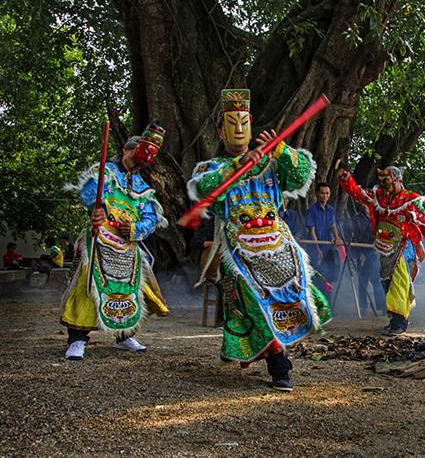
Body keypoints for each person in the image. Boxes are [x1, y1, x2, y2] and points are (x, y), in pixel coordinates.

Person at [187, 89, 331, 392]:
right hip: (239, 254)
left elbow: (301, 175)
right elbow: (204, 190)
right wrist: (238, 166)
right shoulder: (211, 168)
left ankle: (278, 355)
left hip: (279, 247)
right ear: (219, 131)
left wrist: (280, 151)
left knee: (292, 297)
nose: (239, 130)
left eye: (244, 123)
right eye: (231, 123)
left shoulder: (269, 164)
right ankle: (280, 365)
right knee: (254, 303)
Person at [60, 124, 170, 361]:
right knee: (89, 287)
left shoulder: (143, 187)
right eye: (144, 150)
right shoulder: (105, 172)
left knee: (131, 288)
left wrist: (134, 228)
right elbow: (90, 194)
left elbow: (152, 217)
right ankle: (77, 340)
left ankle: (125, 335)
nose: (149, 156)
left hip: (128, 245)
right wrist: (96, 209)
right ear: (127, 150)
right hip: (100, 240)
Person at [338, 166, 425, 336]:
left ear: (398, 181)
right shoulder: (378, 197)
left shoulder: (410, 200)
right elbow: (358, 193)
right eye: (382, 183)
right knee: (387, 282)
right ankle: (395, 320)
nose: (384, 187)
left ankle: (400, 323)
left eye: (388, 182)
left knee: (399, 282)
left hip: (404, 246)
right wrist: (346, 179)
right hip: (384, 247)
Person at [347, 206, 385, 316]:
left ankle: (382, 307)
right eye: (363, 203)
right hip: (361, 254)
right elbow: (353, 238)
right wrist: (360, 253)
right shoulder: (356, 219)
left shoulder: (378, 218)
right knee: (362, 282)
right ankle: (363, 307)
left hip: (374, 253)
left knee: (377, 281)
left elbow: (381, 237)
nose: (366, 205)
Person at [306, 182, 344, 291]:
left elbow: (333, 226)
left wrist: (337, 237)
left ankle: (329, 303)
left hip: (328, 248)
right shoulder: (312, 210)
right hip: (315, 249)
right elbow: (312, 231)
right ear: (317, 194)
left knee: (329, 277)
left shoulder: (330, 209)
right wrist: (318, 250)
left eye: (327, 193)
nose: (325, 196)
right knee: (317, 278)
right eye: (322, 193)